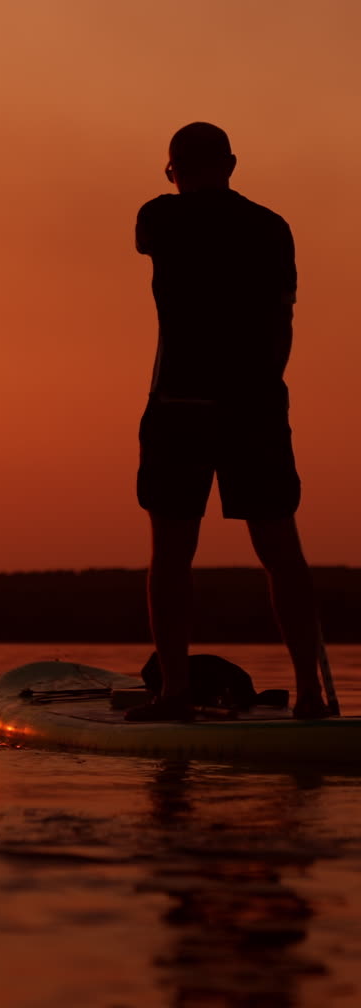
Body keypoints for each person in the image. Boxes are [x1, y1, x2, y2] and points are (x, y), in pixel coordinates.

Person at [126, 121, 328, 722]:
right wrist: (265, 385)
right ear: (232, 163)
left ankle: (175, 691)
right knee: (280, 549)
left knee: (171, 552)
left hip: (180, 405)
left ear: (173, 170)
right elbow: (282, 320)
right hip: (255, 406)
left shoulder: (159, 217)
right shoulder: (271, 228)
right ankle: (311, 695)